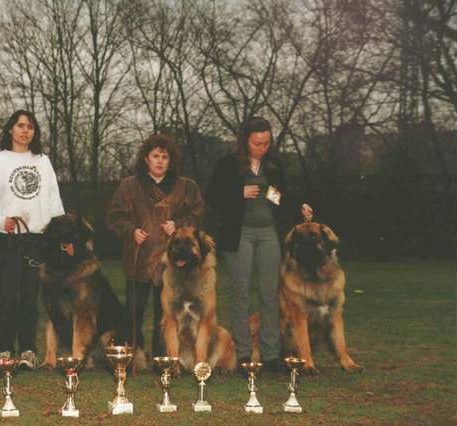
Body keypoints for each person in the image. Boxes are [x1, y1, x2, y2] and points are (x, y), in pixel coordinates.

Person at [206, 116, 312, 374]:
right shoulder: (228, 165)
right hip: (239, 234)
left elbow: (279, 197)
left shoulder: (274, 166)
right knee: (241, 294)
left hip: (268, 234)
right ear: (245, 142)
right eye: (256, 143)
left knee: (269, 295)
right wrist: (238, 194)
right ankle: (243, 356)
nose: (261, 148)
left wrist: (300, 208)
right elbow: (211, 197)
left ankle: (271, 355)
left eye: (266, 143)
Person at [106, 133, 205, 368]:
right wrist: (131, 230)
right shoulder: (129, 186)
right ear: (146, 160)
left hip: (174, 262)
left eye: (165, 157)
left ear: (170, 161)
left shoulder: (186, 187)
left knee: (167, 314)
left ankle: (164, 359)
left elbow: (199, 214)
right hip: (139, 258)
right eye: (155, 156)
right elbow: (113, 217)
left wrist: (179, 224)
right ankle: (130, 359)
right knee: (133, 311)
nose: (160, 161)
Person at [0, 110, 65, 370]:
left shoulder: (42, 161)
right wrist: (0, 221)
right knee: (8, 295)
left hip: (36, 239)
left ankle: (28, 351)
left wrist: (61, 235)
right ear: (10, 129)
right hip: (6, 238)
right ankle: (5, 349)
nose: (25, 131)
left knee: (29, 297)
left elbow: (54, 200)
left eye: (30, 127)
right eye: (20, 126)